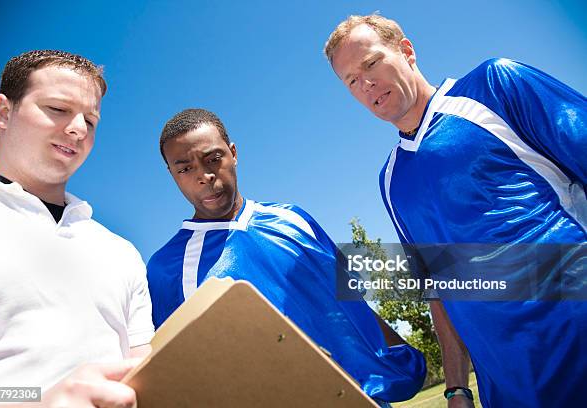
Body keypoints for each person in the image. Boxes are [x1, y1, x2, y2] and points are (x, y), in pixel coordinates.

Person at [324, 13, 586, 408]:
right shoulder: (391, 180)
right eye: (351, 81)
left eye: (371, 63)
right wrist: (456, 387)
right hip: (509, 389)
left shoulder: (494, 86)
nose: (366, 84)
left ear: (406, 51)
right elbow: (438, 287)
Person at [146, 108, 427, 405]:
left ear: (233, 153)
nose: (204, 176)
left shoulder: (293, 219)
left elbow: (351, 304)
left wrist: (402, 365)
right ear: (172, 175)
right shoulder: (167, 270)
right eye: (185, 168)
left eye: (213, 159)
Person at [0, 50, 154, 407]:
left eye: (91, 121)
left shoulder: (121, 252)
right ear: (3, 112)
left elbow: (142, 371)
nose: (77, 130)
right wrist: (37, 399)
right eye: (57, 109)